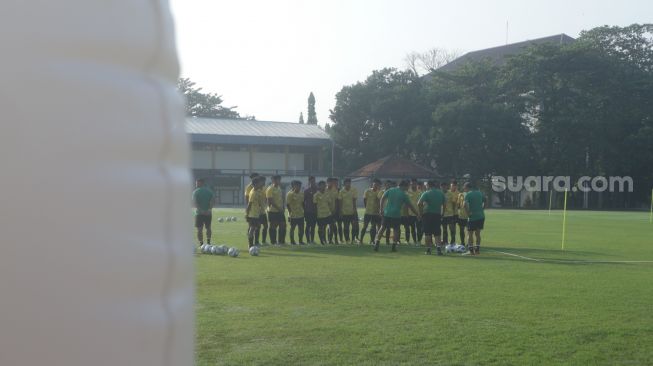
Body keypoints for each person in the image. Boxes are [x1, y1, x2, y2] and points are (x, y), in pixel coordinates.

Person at [374, 180, 420, 252]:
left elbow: (382, 198)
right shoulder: (404, 194)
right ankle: (393, 246)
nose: (408, 188)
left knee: (382, 228)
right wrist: (417, 214)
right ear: (404, 186)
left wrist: (381, 209)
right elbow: (410, 206)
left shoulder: (390, 190)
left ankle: (377, 243)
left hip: (387, 213)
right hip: (396, 214)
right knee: (396, 230)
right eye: (407, 186)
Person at [418, 180, 445, 255]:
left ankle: (428, 250)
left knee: (427, 233)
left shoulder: (426, 193)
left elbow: (419, 203)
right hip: (437, 214)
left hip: (427, 214)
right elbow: (444, 203)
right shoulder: (440, 193)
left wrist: (420, 213)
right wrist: (443, 212)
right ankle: (439, 250)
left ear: (428, 185)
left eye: (426, 185)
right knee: (437, 233)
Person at [464, 182, 486, 255]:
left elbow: (464, 205)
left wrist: (468, 213)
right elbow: (485, 200)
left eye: (464, 188)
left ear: (467, 187)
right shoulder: (479, 193)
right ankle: (477, 250)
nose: (464, 189)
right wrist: (482, 208)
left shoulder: (468, 194)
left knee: (470, 234)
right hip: (481, 216)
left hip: (472, 217)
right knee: (478, 233)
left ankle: (471, 251)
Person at [193, 178, 215, 247]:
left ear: (201, 183)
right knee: (208, 228)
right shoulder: (209, 191)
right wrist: (209, 209)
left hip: (199, 213)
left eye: (197, 183)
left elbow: (195, 202)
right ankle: (208, 243)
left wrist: (200, 210)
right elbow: (212, 200)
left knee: (199, 229)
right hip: (208, 213)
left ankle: (201, 244)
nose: (196, 184)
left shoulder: (195, 192)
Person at [266, 175, 286, 245]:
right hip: (272, 211)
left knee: (283, 225)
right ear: (273, 180)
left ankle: (281, 241)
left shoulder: (279, 188)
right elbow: (270, 201)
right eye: (277, 179)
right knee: (273, 226)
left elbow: (280, 199)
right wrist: (278, 208)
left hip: (280, 211)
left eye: (279, 179)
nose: (279, 181)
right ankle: (273, 242)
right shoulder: (270, 189)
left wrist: (283, 207)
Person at [360, 179, 381, 244]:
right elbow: (364, 199)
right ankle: (360, 240)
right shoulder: (367, 191)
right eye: (375, 184)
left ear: (379, 185)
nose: (376, 186)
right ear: (372, 184)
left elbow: (379, 201)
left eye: (377, 185)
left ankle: (372, 241)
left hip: (375, 212)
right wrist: (366, 207)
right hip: (368, 212)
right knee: (365, 226)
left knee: (373, 226)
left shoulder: (379, 192)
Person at [338, 178, 359, 244]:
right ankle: (347, 239)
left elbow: (354, 201)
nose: (348, 184)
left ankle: (353, 239)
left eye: (349, 183)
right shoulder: (341, 191)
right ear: (344, 184)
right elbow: (340, 202)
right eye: (347, 183)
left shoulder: (354, 190)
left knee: (354, 225)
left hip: (352, 212)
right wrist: (340, 211)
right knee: (346, 226)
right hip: (345, 212)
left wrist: (355, 211)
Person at [246, 177, 265, 248]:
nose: (261, 184)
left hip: (257, 213)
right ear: (255, 184)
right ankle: (250, 244)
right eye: (259, 183)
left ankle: (253, 243)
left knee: (256, 227)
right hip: (253, 214)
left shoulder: (257, 191)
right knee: (252, 228)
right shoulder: (253, 193)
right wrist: (247, 214)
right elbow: (249, 204)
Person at [313, 181, 333, 245]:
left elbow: (329, 203)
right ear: (319, 186)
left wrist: (330, 210)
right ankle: (322, 240)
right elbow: (314, 205)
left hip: (328, 213)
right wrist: (316, 214)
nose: (324, 187)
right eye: (322, 185)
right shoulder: (316, 195)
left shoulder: (327, 194)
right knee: (321, 228)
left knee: (331, 226)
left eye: (324, 185)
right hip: (320, 214)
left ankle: (329, 240)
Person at [286, 180, 305, 245]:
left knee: (301, 228)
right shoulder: (290, 194)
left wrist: (304, 211)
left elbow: (302, 203)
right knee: (292, 228)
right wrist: (290, 213)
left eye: (299, 186)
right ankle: (292, 241)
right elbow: (287, 204)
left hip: (300, 214)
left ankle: (300, 241)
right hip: (293, 215)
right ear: (293, 186)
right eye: (297, 185)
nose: (298, 187)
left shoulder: (301, 193)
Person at [303, 176, 318, 244]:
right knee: (308, 226)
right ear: (309, 182)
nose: (313, 182)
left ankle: (312, 240)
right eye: (311, 181)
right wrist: (305, 210)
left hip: (315, 211)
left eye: (314, 181)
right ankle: (308, 240)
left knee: (313, 226)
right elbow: (303, 201)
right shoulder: (306, 190)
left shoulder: (317, 190)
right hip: (308, 211)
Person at [326, 177, 340, 244]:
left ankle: (333, 239)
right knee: (329, 226)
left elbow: (337, 200)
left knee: (333, 225)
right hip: (326, 211)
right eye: (330, 182)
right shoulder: (324, 190)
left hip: (334, 211)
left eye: (332, 182)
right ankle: (329, 239)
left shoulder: (335, 190)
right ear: (327, 183)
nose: (331, 183)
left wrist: (336, 209)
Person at [455, 181, 468, 249]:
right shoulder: (461, 195)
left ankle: (469, 243)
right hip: (461, 216)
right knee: (461, 230)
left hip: (468, 216)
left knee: (469, 230)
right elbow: (458, 205)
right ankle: (463, 242)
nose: (464, 188)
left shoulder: (470, 194)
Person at [257, 176, 269, 245]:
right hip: (257, 212)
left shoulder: (265, 189)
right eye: (262, 181)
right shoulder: (256, 190)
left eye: (264, 181)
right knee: (258, 227)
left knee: (266, 226)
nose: (264, 182)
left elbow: (266, 198)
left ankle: (263, 241)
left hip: (263, 211)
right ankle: (256, 241)